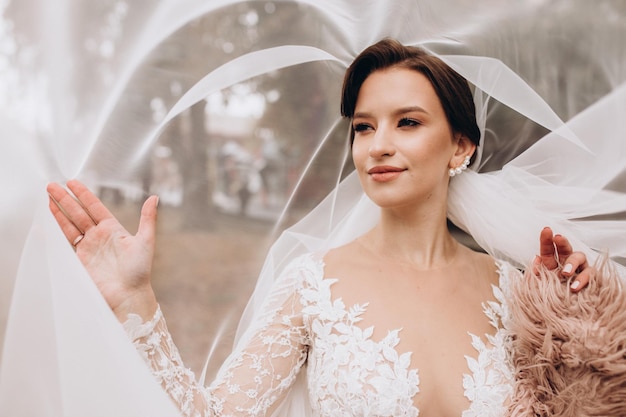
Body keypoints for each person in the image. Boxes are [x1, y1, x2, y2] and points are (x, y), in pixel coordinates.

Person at [47, 39, 598, 417]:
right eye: (363, 127)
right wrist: (134, 299)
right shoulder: (314, 288)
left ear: (461, 145)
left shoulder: (514, 291)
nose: (378, 144)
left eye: (407, 122)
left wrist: (580, 318)